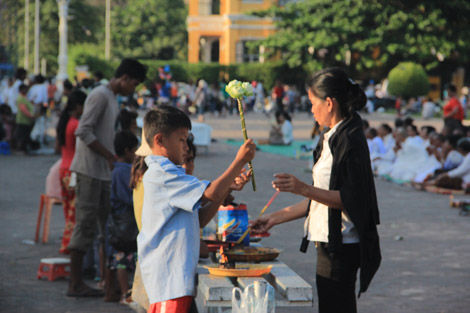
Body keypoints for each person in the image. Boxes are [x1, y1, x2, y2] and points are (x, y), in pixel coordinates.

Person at [251, 68, 381, 313]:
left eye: (312, 103)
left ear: (329, 103)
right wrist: (273, 219)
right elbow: (320, 199)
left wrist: (302, 188)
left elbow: (350, 197)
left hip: (342, 244)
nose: (311, 110)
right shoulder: (330, 136)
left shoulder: (350, 138)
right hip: (328, 244)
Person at [137, 105, 255, 313]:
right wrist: (239, 161)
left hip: (179, 280)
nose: (185, 146)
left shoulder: (170, 173)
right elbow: (209, 192)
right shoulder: (161, 173)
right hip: (168, 282)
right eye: (181, 140)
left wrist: (224, 189)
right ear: (160, 140)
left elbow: (198, 219)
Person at [66, 58, 147, 297]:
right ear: (126, 79)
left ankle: (108, 285)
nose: (134, 89)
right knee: (85, 227)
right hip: (89, 171)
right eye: (135, 84)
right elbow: (83, 130)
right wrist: (110, 156)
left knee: (107, 229)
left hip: (101, 173)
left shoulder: (111, 97)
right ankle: (75, 283)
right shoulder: (100, 95)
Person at [104, 130, 139, 304]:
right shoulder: (123, 171)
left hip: (119, 220)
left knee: (119, 258)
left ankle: (115, 291)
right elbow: (130, 197)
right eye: (135, 149)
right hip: (123, 222)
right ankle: (125, 293)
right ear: (127, 151)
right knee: (122, 259)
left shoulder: (118, 170)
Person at [55, 89, 87, 254]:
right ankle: (68, 244)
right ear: (78, 106)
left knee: (68, 208)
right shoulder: (76, 124)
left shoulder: (64, 121)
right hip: (73, 170)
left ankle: (67, 242)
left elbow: (57, 147)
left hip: (63, 169)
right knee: (74, 212)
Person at [14, 84, 36, 153]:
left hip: (27, 121)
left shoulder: (25, 97)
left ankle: (24, 148)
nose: (26, 90)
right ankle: (20, 149)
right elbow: (24, 110)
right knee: (22, 135)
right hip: (22, 120)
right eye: (25, 89)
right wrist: (31, 116)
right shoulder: (20, 98)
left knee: (25, 135)